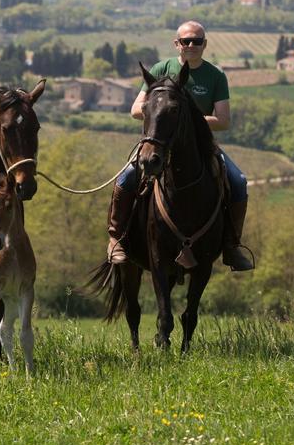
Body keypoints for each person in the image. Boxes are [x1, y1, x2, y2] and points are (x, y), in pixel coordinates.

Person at [107, 20, 253, 271]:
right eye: (186, 41)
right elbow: (135, 110)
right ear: (177, 44)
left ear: (204, 44)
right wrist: (164, 116)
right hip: (159, 143)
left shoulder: (215, 76)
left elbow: (223, 120)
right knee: (125, 179)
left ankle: (231, 245)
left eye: (197, 41)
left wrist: (189, 120)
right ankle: (115, 239)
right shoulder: (162, 68)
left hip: (201, 146)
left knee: (238, 181)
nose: (191, 45)